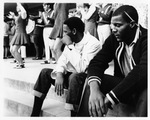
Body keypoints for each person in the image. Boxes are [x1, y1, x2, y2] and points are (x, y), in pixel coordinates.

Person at [77, 5, 147, 117]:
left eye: (118, 25)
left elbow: (143, 71)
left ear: (132, 25)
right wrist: (94, 90)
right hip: (125, 87)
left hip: (142, 88)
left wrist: (111, 97)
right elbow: (97, 62)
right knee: (92, 81)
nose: (113, 29)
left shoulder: (146, 39)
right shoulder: (114, 38)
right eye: (112, 25)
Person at [30, 17, 101, 116]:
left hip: (86, 81)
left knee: (74, 76)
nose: (63, 35)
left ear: (74, 31)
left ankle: (74, 115)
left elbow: (82, 68)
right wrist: (59, 74)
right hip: (72, 77)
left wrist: (70, 45)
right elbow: (62, 61)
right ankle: (35, 114)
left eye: (65, 31)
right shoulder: (72, 41)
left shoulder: (93, 43)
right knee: (44, 72)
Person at [7, 3, 30, 69]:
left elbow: (23, 12)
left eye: (18, 6)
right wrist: (13, 16)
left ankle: (21, 64)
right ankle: (19, 62)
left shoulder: (23, 14)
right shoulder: (20, 15)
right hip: (17, 33)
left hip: (21, 33)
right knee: (12, 50)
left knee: (14, 50)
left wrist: (18, 2)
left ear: (22, 7)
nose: (17, 7)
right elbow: (18, 20)